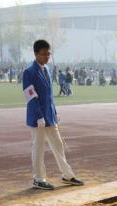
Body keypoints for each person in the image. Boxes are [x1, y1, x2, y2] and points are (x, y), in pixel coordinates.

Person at [22, 39, 84, 190]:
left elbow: (49, 95)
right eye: (44, 54)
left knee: (58, 145)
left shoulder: (47, 69)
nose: (47, 56)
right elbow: (31, 96)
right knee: (38, 148)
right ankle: (38, 178)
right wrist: (39, 116)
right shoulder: (29, 72)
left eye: (48, 54)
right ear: (36, 54)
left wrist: (54, 112)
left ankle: (67, 175)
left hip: (50, 116)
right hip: (38, 119)